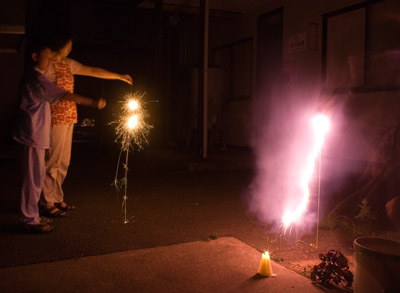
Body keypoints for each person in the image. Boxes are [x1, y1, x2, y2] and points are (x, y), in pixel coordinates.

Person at [13, 38, 106, 233]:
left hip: (36, 133)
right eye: (47, 56)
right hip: (32, 134)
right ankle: (29, 219)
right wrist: (92, 102)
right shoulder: (36, 78)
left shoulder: (37, 76)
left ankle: (32, 216)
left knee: (37, 175)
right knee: (33, 178)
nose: (50, 59)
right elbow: (63, 95)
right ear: (35, 56)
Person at [40, 31, 132, 217]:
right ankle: (46, 202)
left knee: (63, 160)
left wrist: (118, 76)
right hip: (53, 117)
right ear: (61, 46)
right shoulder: (45, 66)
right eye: (69, 45)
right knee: (52, 161)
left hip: (68, 116)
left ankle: (57, 197)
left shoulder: (68, 64)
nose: (71, 48)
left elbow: (92, 71)